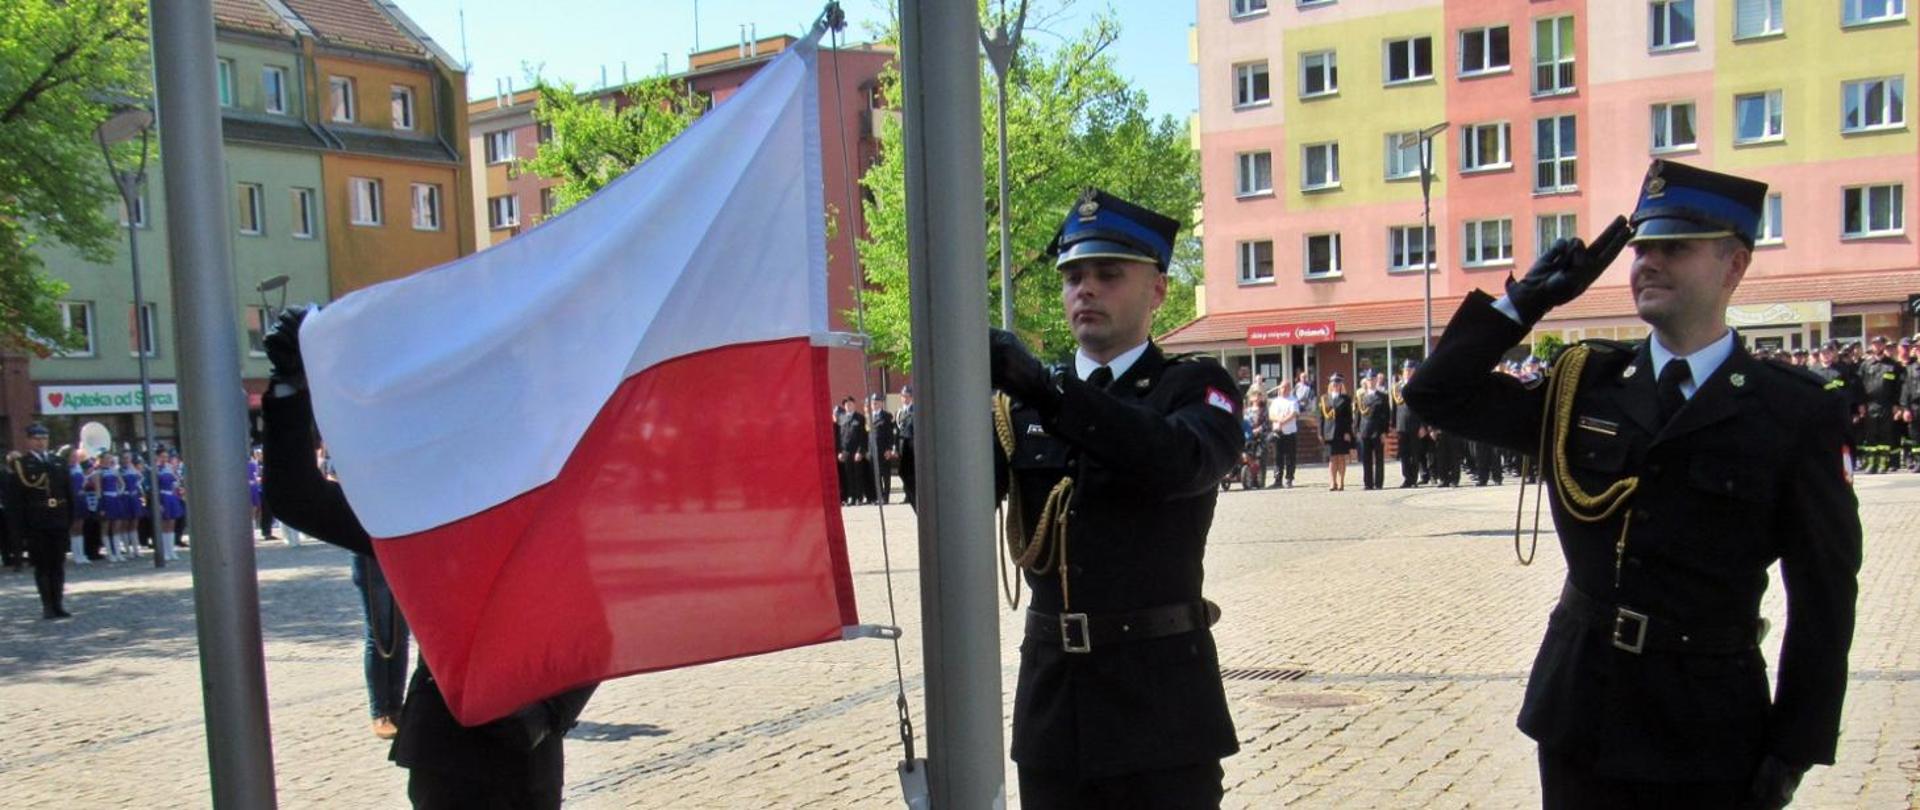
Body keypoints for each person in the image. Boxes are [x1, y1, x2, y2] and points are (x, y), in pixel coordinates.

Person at [1405, 159, 1860, 810]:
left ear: (1734, 266)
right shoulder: (1583, 383)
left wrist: (1795, 744)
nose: (1648, 262)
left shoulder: (1792, 414)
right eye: (1643, 247)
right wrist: (1525, 301)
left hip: (1709, 723)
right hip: (1581, 708)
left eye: (1675, 248)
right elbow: (1436, 395)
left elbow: (1824, 597)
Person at [262, 307, 596, 809]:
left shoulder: (552, 509)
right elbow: (298, 499)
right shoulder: (429, 513)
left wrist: (548, 712)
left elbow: (593, 622)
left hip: (526, 755)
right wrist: (293, 390)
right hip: (448, 748)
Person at [988, 188, 1239, 808]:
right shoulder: (1017, 407)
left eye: (1108, 274)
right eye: (1073, 276)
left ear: (1156, 290)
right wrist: (940, 397)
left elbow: (1175, 462)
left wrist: (1052, 394)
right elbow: (944, 506)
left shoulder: (1195, 387)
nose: (1086, 290)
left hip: (1161, 708)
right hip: (1054, 706)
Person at [4, 424, 74, 618]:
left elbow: (69, 494)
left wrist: (69, 520)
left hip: (58, 520)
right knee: (43, 565)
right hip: (36, 522)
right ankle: (48, 605)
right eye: (36, 438)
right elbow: (15, 502)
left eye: (44, 438)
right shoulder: (22, 465)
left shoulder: (58, 462)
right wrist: (19, 531)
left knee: (58, 564)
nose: (41, 442)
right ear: (29, 440)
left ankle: (58, 603)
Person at [1856, 338, 1902, 473]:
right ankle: (1871, 463)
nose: (1878, 346)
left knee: (1885, 435)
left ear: (1884, 346)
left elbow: (1898, 387)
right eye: (1875, 344)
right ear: (1872, 346)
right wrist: (1861, 404)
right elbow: (1859, 386)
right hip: (1870, 404)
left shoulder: (1893, 365)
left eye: (1880, 344)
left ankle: (1883, 463)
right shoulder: (1866, 365)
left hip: (1887, 405)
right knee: (1871, 435)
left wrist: (1896, 405)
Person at [1394, 362, 1426, 488]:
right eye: (1405, 370)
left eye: (1410, 370)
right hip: (1401, 425)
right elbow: (1395, 408)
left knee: (1414, 453)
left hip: (1415, 424)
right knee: (1404, 454)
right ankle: (1407, 478)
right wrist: (1393, 424)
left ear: (1414, 371)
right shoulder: (1396, 387)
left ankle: (1413, 479)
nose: (1407, 372)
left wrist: (1423, 425)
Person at [1320, 373, 1354, 491]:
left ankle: (1341, 482)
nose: (1335, 385)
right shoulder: (1325, 398)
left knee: (1341, 458)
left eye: (1338, 383)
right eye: (1334, 383)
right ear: (1330, 384)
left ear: (1341, 385)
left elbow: (1349, 418)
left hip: (1341, 431)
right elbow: (1321, 418)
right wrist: (1321, 433)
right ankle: (1332, 482)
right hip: (1329, 432)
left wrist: (1348, 432)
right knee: (1332, 458)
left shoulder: (1346, 399)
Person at [1356, 372, 1389, 490]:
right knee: (1366, 459)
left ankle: (1379, 483)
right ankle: (1368, 483)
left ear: (1376, 381)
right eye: (1369, 380)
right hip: (1365, 430)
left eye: (1373, 379)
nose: (1371, 382)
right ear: (1366, 381)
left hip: (1378, 431)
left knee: (1379, 458)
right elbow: (1358, 415)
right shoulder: (1361, 396)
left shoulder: (1383, 396)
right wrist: (1357, 430)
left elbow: (1386, 415)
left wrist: (1385, 432)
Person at [1266, 388, 1299, 488]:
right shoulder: (1275, 401)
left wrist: (1283, 421)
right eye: (1282, 389)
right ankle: (1277, 479)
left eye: (1285, 388)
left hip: (1290, 432)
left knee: (1290, 456)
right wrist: (1278, 420)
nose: (1283, 390)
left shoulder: (1293, 400)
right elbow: (1271, 415)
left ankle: (1289, 478)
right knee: (1277, 457)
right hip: (1278, 432)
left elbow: (1294, 414)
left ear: (1288, 389)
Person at [867, 393, 897, 504]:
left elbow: (890, 434)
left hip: (883, 451)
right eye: (873, 402)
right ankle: (879, 497)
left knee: (886, 475)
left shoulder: (886, 416)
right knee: (877, 476)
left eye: (876, 402)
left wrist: (889, 449)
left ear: (881, 403)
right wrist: (868, 450)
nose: (874, 404)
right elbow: (868, 435)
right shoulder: (869, 416)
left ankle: (886, 498)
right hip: (873, 451)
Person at [897, 385, 917, 506]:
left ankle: (912, 495)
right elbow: (897, 430)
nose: (905, 399)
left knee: (910, 473)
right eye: (903, 396)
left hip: (911, 447)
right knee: (903, 472)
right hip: (902, 446)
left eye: (907, 396)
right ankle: (907, 494)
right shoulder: (899, 412)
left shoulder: (914, 410)